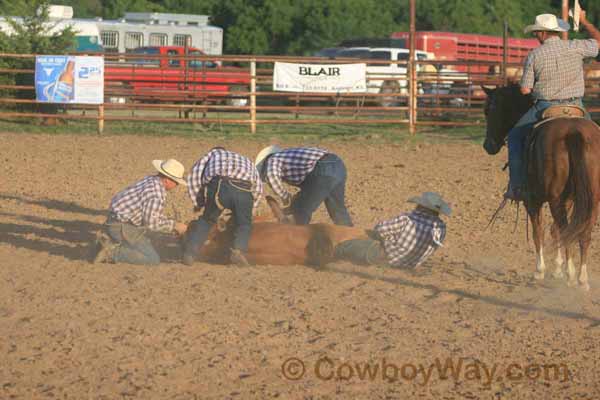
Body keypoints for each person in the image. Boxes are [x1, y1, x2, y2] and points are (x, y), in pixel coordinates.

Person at [505, 11, 600, 201]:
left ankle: (517, 186)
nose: (535, 36)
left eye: (535, 33)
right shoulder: (576, 47)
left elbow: (525, 89)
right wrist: (583, 21)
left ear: (541, 33)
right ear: (555, 31)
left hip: (545, 107)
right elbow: (598, 41)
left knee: (514, 137)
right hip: (576, 106)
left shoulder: (534, 55)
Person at [93, 159, 188, 265]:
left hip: (114, 220)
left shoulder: (151, 180)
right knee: (152, 259)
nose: (177, 185)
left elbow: (151, 216)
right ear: (167, 180)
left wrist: (170, 224)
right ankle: (110, 252)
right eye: (176, 182)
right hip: (121, 226)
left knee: (149, 239)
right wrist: (175, 226)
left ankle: (111, 241)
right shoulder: (156, 194)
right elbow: (152, 224)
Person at [183, 147, 263, 267]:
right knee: (244, 224)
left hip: (221, 187)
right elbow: (258, 186)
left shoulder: (211, 155)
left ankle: (190, 253)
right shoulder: (245, 159)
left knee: (207, 220)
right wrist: (252, 207)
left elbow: (194, 176)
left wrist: (198, 202)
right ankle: (238, 251)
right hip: (245, 191)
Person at [335, 192, 450, 268]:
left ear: (420, 205)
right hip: (410, 265)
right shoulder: (441, 227)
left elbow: (380, 230)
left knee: (345, 246)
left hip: (387, 258)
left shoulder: (407, 219)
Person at [254, 145, 353, 226]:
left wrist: (285, 196)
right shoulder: (287, 158)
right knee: (337, 210)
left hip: (321, 168)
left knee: (301, 210)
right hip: (338, 166)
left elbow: (272, 176)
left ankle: (297, 242)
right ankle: (352, 239)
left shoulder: (272, 159)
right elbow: (310, 188)